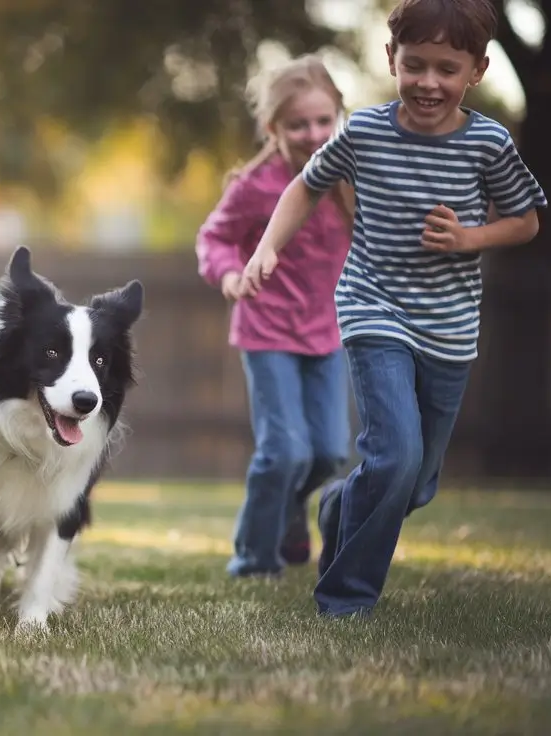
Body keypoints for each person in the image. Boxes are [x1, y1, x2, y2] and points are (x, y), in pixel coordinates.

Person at [241, 0, 547, 617]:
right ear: (391, 60)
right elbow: (306, 185)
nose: (428, 82)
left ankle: (335, 507)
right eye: (415, 65)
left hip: (450, 329)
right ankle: (346, 597)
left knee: (413, 483)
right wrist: (267, 249)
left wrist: (470, 238)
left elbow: (527, 221)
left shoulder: (488, 143)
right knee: (396, 456)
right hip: (373, 310)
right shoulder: (365, 131)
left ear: (477, 71)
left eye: (446, 68)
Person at [196, 54, 355, 579]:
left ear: (339, 115)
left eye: (323, 120)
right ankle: (253, 558)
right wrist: (229, 276)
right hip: (266, 332)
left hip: (329, 333)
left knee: (329, 453)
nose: (313, 134)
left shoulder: (350, 178)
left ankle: (287, 511)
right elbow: (213, 237)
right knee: (284, 451)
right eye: (297, 124)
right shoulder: (255, 186)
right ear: (273, 128)